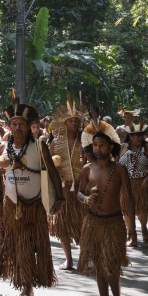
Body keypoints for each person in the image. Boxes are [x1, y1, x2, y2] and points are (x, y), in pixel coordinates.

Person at [0, 97, 64, 296]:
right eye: (14, 124)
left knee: (34, 245)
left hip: (36, 204)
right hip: (13, 205)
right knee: (19, 244)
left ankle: (29, 285)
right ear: (10, 126)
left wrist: (59, 197)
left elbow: (52, 171)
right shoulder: (3, 148)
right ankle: (26, 286)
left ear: (29, 126)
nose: (17, 127)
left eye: (22, 124)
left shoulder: (39, 145)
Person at [77, 121, 133, 296]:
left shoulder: (119, 170)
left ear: (111, 147)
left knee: (112, 267)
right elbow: (79, 192)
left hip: (114, 223)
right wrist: (85, 199)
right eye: (95, 145)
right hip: (93, 223)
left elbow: (129, 199)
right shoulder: (86, 169)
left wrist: (132, 228)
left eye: (102, 144)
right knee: (100, 268)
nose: (98, 148)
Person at [48, 95, 87, 270]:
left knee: (83, 224)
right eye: (71, 120)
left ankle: (85, 256)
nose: (74, 123)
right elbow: (50, 165)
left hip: (80, 188)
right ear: (64, 123)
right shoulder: (56, 143)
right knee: (62, 225)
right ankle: (69, 259)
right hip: (63, 189)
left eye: (76, 121)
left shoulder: (85, 141)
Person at [118, 120, 148, 247]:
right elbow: (117, 165)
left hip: (142, 182)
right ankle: (131, 234)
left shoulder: (147, 147)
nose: (139, 138)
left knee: (141, 210)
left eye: (141, 135)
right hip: (125, 183)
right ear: (130, 136)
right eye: (136, 135)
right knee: (126, 210)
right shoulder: (123, 147)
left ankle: (144, 227)